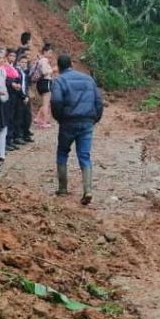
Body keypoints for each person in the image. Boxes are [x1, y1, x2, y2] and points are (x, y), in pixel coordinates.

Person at [50, 54, 104, 205]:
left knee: (62, 152)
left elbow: (56, 100)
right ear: (71, 65)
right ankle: (88, 189)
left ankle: (62, 187)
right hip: (87, 122)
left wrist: (59, 118)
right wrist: (95, 118)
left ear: (59, 67)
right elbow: (98, 101)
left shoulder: (59, 80)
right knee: (84, 156)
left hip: (68, 122)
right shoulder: (88, 79)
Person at [32, 44, 55, 128]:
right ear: (45, 52)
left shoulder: (41, 60)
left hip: (41, 82)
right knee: (46, 103)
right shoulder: (44, 60)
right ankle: (45, 121)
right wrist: (52, 70)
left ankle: (38, 118)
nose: (51, 54)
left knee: (45, 102)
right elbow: (45, 72)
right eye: (49, 52)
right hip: (45, 82)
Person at [17, 54, 34, 143]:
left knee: (27, 116)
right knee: (19, 117)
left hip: (26, 96)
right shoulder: (17, 72)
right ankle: (19, 135)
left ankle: (25, 134)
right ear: (18, 62)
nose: (24, 64)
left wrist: (27, 95)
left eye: (25, 63)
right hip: (19, 97)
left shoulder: (25, 73)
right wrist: (23, 96)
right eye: (22, 62)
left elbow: (26, 85)